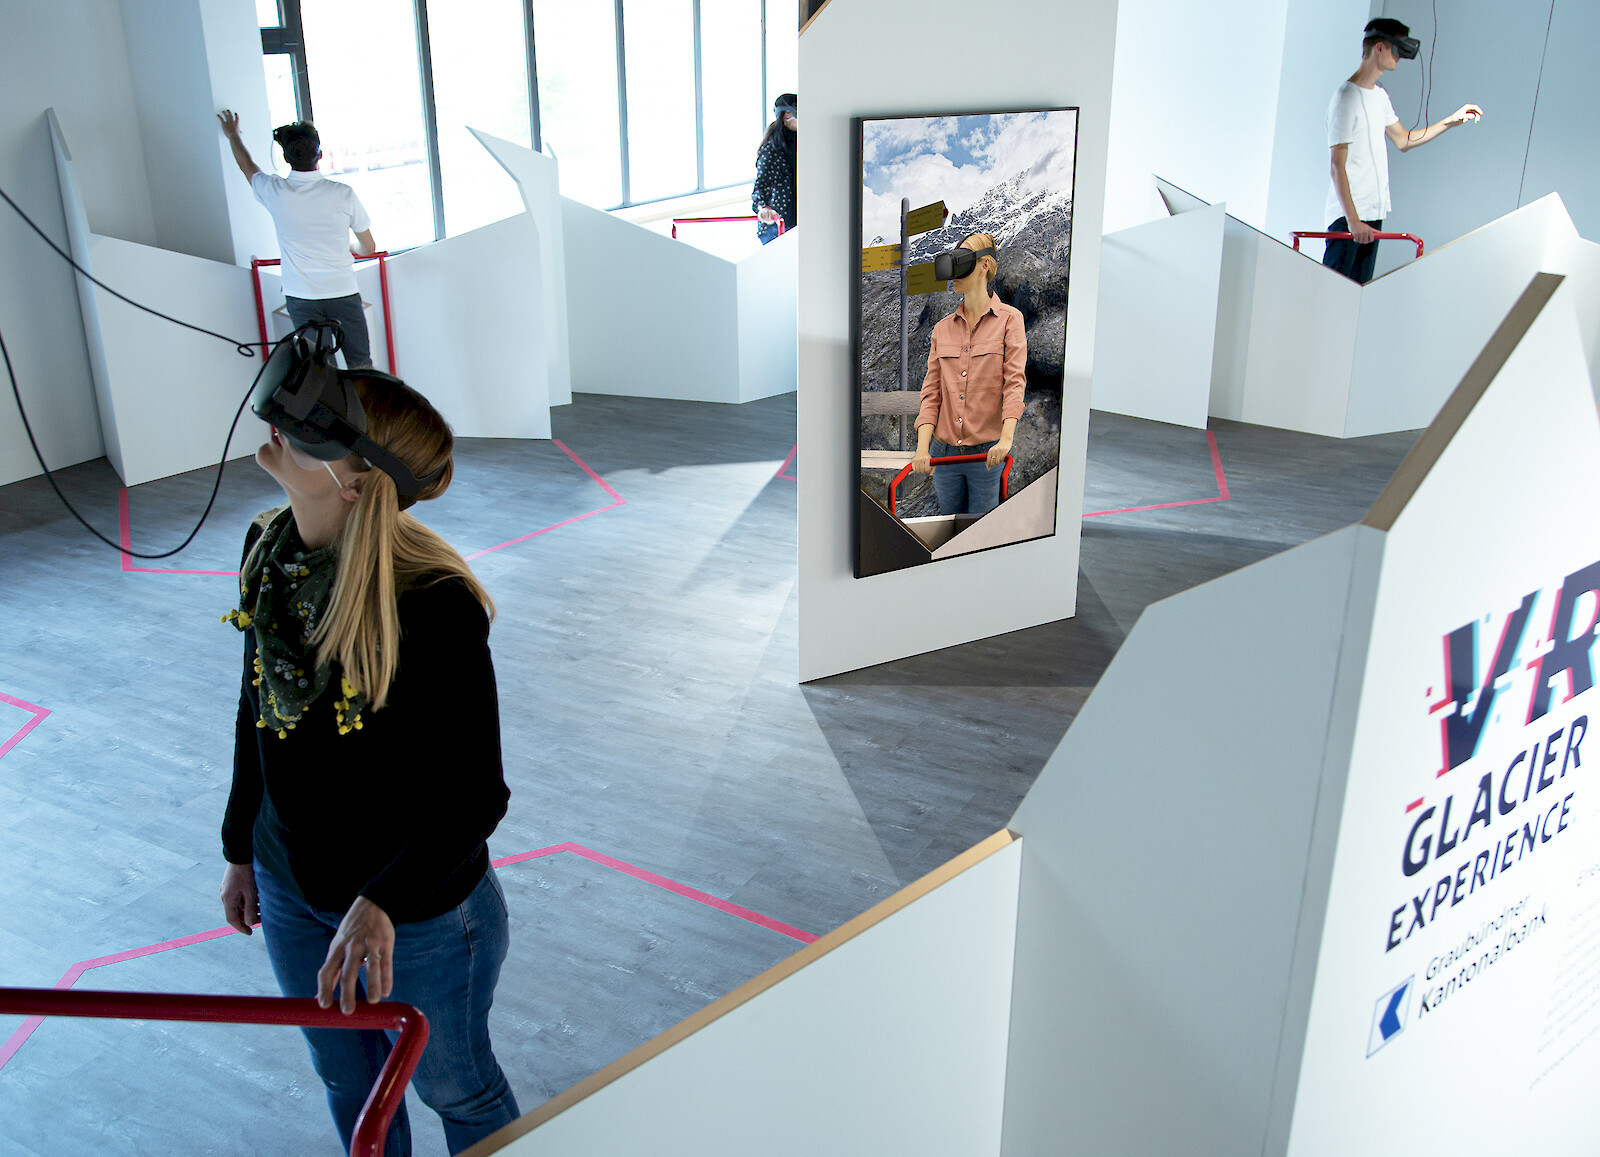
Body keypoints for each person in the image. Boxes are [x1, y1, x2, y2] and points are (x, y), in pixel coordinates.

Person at [218, 372, 520, 1155]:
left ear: (354, 483)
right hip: (291, 889)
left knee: (456, 1087)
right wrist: (241, 846)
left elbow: (476, 794)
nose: (286, 429)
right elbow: (257, 706)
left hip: (417, 914)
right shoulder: (267, 550)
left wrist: (381, 901)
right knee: (349, 1082)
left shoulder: (433, 602)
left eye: (319, 430)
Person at [1321, 19, 1482, 284]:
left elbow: (1403, 140)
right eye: (1396, 49)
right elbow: (1337, 164)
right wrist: (1353, 221)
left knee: (1357, 295)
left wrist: (1451, 120)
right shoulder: (1346, 97)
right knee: (1335, 293)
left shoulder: (1379, 96)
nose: (1399, 57)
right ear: (1379, 48)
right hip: (1348, 220)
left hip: (1372, 217)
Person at [218, 111, 379, 366]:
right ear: (320, 154)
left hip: (302, 297)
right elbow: (368, 247)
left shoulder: (275, 192)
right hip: (343, 291)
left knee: (319, 372)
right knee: (361, 365)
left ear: (286, 158)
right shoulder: (343, 194)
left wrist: (233, 136)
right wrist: (350, 246)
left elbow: (246, 165)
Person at [911, 232, 1026, 517]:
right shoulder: (942, 329)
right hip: (943, 454)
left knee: (980, 530)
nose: (953, 272)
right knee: (949, 525)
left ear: (985, 265)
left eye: (961, 261)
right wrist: (922, 449)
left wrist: (1006, 439)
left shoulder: (1010, 320)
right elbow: (931, 394)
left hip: (986, 455)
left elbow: (1014, 383)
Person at [752, 94, 797, 245]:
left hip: (797, 222)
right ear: (786, 116)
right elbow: (760, 186)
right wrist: (763, 208)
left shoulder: (802, 142)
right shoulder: (772, 148)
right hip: (777, 226)